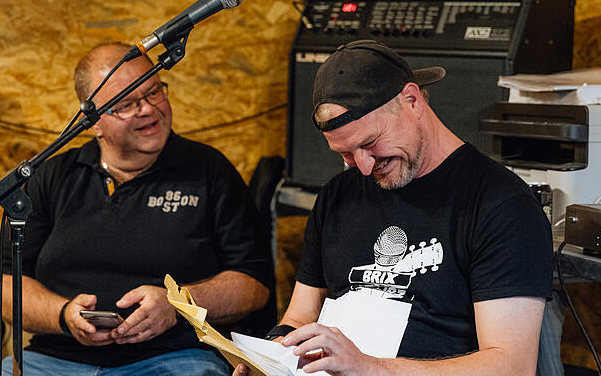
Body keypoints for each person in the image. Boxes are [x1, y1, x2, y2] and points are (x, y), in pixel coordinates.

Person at [236, 40, 552, 375]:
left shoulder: (501, 205)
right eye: (345, 154)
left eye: (370, 143)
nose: (364, 167)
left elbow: (512, 365)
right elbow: (300, 317)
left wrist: (372, 369)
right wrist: (270, 357)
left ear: (412, 101)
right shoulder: (337, 196)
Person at [0, 42, 273, 375]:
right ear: (91, 120)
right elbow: (0, 284)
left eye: (154, 92)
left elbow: (253, 284)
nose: (147, 109)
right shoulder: (52, 176)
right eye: (126, 103)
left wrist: (178, 304)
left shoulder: (209, 171)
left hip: (176, 358)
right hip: (54, 360)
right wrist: (62, 315)